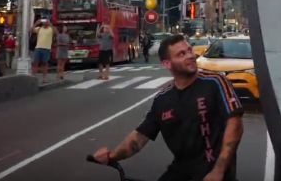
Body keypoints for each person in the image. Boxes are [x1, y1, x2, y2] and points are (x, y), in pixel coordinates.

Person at [92, 34, 244, 181]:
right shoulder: (162, 99)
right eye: (181, 54)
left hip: (215, 168)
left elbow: (235, 124)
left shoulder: (215, 82)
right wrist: (111, 156)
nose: (190, 56)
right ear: (167, 64)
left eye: (189, 50)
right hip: (181, 168)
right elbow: (139, 137)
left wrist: (219, 170)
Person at [33, 18, 56, 84]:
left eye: (46, 21)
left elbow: (56, 32)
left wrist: (50, 24)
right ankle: (34, 77)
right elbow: (30, 30)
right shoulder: (39, 28)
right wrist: (36, 23)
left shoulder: (51, 29)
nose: (45, 22)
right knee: (35, 63)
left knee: (45, 63)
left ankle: (44, 78)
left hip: (46, 48)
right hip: (38, 48)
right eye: (44, 21)